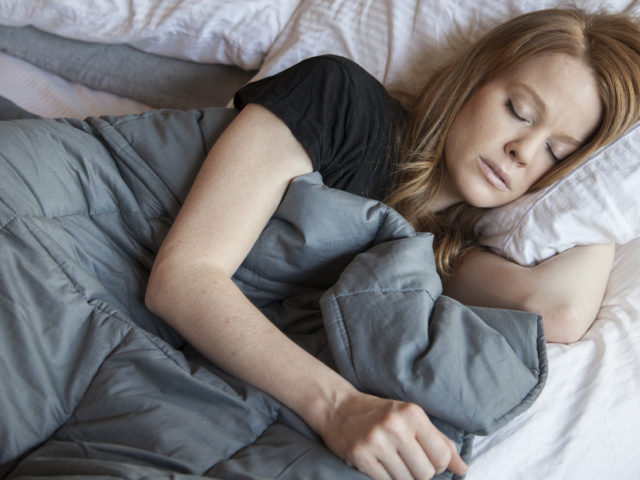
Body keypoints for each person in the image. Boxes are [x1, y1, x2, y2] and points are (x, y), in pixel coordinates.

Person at [145, 8, 640, 480]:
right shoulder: (339, 100)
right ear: (473, 79)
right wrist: (339, 407)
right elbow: (184, 278)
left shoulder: (445, 257)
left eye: (558, 153)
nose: (524, 151)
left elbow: (559, 310)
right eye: (518, 110)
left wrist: (598, 202)